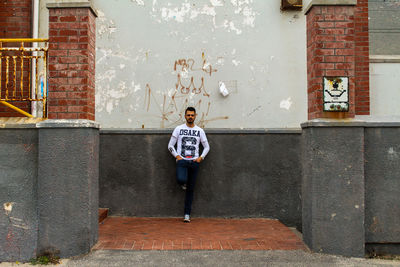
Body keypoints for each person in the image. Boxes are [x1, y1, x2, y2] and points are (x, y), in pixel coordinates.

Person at [168, 107, 210, 223]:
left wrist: (201, 158)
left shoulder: (200, 131)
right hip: (182, 161)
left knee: (190, 190)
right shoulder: (178, 129)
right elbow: (170, 145)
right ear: (185, 116)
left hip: (194, 162)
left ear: (195, 116)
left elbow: (207, 147)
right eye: (188, 115)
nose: (190, 117)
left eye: (192, 115)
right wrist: (177, 156)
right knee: (181, 179)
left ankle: (187, 214)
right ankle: (183, 183)